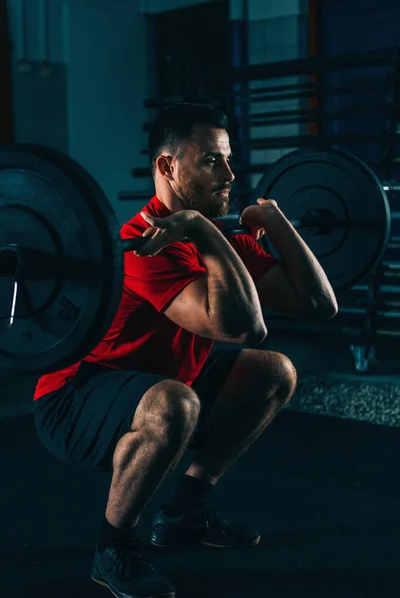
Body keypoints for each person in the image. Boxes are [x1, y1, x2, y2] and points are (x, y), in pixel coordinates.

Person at [33, 103, 338, 598]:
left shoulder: (219, 238)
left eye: (228, 160)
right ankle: (112, 549)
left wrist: (278, 221)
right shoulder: (143, 244)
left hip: (163, 378)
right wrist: (199, 230)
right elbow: (242, 328)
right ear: (168, 167)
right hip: (75, 396)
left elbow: (319, 304)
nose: (230, 175)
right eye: (212, 161)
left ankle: (183, 515)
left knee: (274, 373)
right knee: (176, 402)